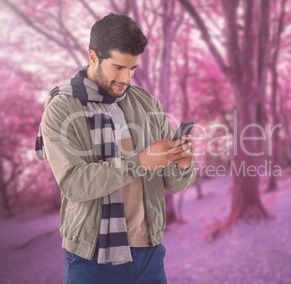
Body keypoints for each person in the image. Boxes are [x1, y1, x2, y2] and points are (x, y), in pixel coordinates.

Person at [35, 13, 195, 284]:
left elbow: (173, 184)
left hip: (149, 254)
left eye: (133, 69)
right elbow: (74, 184)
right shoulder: (62, 107)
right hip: (91, 259)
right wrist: (140, 161)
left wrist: (182, 163)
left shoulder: (147, 103)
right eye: (118, 67)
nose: (126, 78)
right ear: (93, 57)